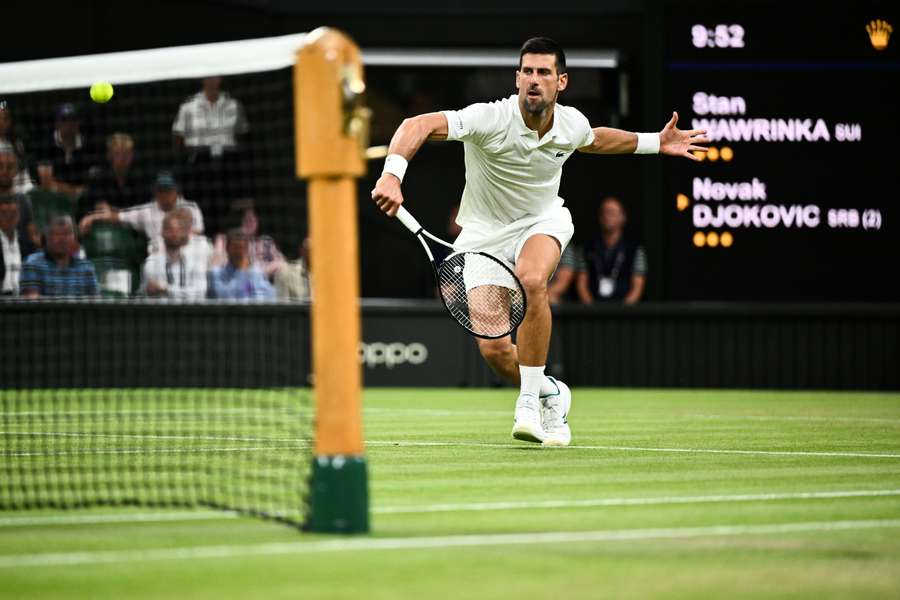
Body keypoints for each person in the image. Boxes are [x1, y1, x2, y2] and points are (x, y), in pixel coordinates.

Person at [370, 37, 706, 446]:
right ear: (516, 78)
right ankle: (551, 391)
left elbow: (596, 139)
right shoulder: (488, 119)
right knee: (495, 353)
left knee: (532, 280)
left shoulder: (570, 124)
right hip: (482, 236)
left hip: (542, 221)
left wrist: (657, 142)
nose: (534, 79)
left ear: (561, 82)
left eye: (544, 72)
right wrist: (392, 173)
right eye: (527, 71)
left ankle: (528, 403)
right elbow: (416, 125)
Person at [172, 76, 250, 233]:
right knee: (201, 207)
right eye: (209, 78)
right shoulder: (189, 106)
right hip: (200, 163)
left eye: (215, 78)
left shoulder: (233, 104)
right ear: (203, 80)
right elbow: (178, 137)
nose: (212, 81)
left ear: (220, 80)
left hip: (227, 164)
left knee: (228, 208)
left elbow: (242, 134)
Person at [79, 171, 204, 249]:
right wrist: (91, 217)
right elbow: (117, 216)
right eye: (161, 190)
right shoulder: (146, 211)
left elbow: (198, 232)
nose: (164, 195)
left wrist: (172, 236)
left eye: (168, 190)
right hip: (158, 258)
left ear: (176, 191)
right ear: (155, 192)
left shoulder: (191, 208)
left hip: (188, 254)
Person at [579, 196, 647, 304]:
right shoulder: (588, 248)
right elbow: (582, 284)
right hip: (592, 312)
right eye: (604, 212)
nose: (607, 216)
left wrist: (623, 313)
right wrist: (591, 311)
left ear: (623, 217)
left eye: (612, 212)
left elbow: (637, 287)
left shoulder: (634, 250)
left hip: (624, 314)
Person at [19, 215, 99, 298]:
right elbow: (31, 304)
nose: (62, 239)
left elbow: (95, 304)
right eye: (56, 234)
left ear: (75, 237)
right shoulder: (32, 264)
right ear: (46, 237)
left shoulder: (86, 267)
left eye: (67, 233)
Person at [142, 209, 208, 301]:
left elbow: (200, 293)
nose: (174, 234)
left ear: (185, 233)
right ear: (162, 232)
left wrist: (166, 289)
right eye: (169, 229)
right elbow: (151, 296)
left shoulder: (196, 261)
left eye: (178, 230)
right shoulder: (151, 264)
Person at [210, 198, 284, 279]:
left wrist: (258, 273)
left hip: (259, 284)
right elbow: (216, 266)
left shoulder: (266, 241)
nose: (250, 222)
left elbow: (281, 263)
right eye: (246, 219)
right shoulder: (225, 240)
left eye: (253, 219)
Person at [79, 133, 147, 219]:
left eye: (126, 153)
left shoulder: (140, 177)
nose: (123, 158)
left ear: (132, 156)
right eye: (118, 153)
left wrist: (113, 211)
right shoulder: (99, 177)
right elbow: (97, 207)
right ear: (109, 155)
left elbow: (142, 210)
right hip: (105, 224)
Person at [36, 103, 94, 198]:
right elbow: (46, 182)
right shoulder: (45, 146)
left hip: (83, 199)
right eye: (64, 120)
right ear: (57, 123)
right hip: (53, 198)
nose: (69, 125)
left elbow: (93, 183)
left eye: (72, 120)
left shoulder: (90, 147)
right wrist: (73, 191)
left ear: (78, 123)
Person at [208, 229, 275, 300]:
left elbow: (266, 299)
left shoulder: (255, 274)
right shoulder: (216, 274)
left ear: (246, 249)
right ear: (227, 249)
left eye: (241, 248)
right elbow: (221, 297)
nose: (238, 252)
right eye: (235, 248)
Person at [0, 149, 39, 249]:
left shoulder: (23, 201)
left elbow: (34, 237)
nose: (5, 171)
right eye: (0, 166)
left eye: (9, 167)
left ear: (16, 171)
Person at [0, 196, 35, 296]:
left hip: (23, 300)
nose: (9, 217)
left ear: (19, 216)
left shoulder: (28, 245)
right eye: (4, 213)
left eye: (13, 213)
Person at [0, 100, 36, 194]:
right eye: (0, 118)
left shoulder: (16, 143)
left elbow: (22, 170)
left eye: (6, 118)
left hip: (15, 186)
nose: (2, 122)